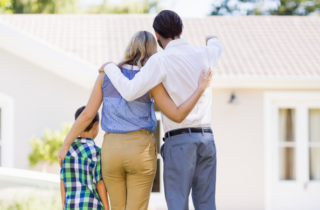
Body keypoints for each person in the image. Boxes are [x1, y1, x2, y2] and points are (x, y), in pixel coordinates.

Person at [58, 30, 212, 210]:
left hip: (111, 150)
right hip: (141, 150)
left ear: (130, 48)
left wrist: (66, 144)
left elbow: (87, 115)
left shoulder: (105, 75)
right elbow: (176, 114)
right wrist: (200, 88)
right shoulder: (151, 80)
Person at [100, 10, 223, 210]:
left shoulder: (161, 60)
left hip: (180, 141)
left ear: (157, 35)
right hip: (207, 139)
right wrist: (211, 38)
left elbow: (130, 91)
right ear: (181, 29)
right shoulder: (206, 53)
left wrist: (110, 67)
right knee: (207, 204)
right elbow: (217, 45)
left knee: (177, 204)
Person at [60, 106, 109, 210]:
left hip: (71, 206)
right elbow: (99, 182)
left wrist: (64, 205)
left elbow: (63, 180)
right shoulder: (96, 152)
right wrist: (106, 207)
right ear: (96, 125)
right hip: (92, 206)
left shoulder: (66, 151)